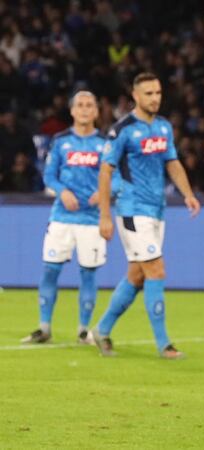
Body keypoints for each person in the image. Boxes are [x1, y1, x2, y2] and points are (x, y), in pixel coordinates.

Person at [91, 72, 200, 359]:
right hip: (131, 209)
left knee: (137, 276)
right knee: (156, 270)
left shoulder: (164, 127)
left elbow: (172, 162)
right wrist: (105, 215)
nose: (155, 98)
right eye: (149, 93)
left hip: (156, 209)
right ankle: (164, 344)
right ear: (136, 97)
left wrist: (187, 193)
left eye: (158, 93)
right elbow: (105, 172)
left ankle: (101, 330)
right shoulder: (122, 130)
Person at [20, 91, 106, 345]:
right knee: (50, 269)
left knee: (88, 274)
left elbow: (118, 179)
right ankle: (44, 327)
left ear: (97, 111)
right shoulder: (60, 141)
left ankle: (83, 330)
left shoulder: (105, 143)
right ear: (72, 111)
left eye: (90, 105)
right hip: (61, 217)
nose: (84, 109)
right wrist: (62, 191)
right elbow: (49, 176)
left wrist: (103, 192)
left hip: (91, 219)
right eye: (80, 105)